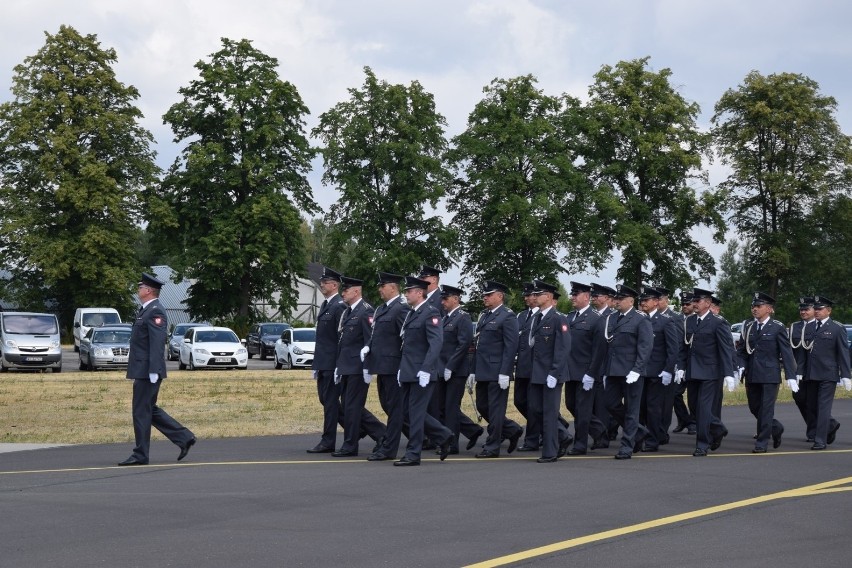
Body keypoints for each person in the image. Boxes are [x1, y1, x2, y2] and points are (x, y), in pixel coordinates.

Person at [119, 273, 195, 466]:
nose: (138, 290)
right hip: (143, 369)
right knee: (148, 410)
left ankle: (140, 454)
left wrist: (153, 370)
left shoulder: (155, 311)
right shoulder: (146, 310)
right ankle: (184, 437)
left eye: (140, 287)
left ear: (148, 291)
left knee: (141, 412)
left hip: (147, 371)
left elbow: (157, 342)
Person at [394, 276, 453, 466]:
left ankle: (413, 454)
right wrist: (402, 369)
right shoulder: (412, 313)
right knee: (406, 412)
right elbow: (408, 345)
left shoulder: (430, 312)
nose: (406, 294)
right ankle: (444, 435)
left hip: (421, 373)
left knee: (416, 414)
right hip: (409, 371)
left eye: (409, 291)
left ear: (419, 293)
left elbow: (436, 343)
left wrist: (426, 369)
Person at [591, 284, 654, 460]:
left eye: (620, 299)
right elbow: (607, 346)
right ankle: (639, 432)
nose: (617, 302)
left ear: (631, 300)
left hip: (631, 372)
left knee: (632, 410)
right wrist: (604, 371)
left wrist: (637, 370)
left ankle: (627, 446)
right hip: (613, 371)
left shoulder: (641, 319)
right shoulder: (612, 318)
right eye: (616, 298)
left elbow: (645, 347)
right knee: (611, 404)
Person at [677, 287, 736, 457]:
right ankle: (718, 428)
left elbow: (725, 349)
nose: (694, 304)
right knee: (695, 408)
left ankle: (702, 444)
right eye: (693, 301)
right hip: (693, 371)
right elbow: (684, 348)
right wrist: (681, 367)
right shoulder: (689, 321)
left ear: (708, 303)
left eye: (698, 301)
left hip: (711, 372)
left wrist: (729, 373)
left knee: (703, 409)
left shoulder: (718, 322)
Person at [467, 280, 523, 458]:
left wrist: (505, 372)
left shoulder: (508, 316)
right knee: (483, 406)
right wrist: (473, 370)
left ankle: (492, 446)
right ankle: (512, 429)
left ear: (500, 296)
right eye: (484, 295)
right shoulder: (484, 315)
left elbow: (511, 346)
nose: (485, 298)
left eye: (489, 295)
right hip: (483, 369)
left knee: (496, 410)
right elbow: (478, 345)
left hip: (498, 371)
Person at [332, 276, 386, 457]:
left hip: (358, 367)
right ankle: (381, 434)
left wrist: (367, 367)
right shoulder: (348, 312)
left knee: (352, 407)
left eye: (346, 290)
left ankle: (350, 445)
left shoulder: (365, 311)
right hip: (347, 366)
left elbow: (370, 341)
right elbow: (344, 343)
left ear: (356, 291)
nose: (343, 293)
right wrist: (339, 366)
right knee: (348, 406)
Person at [735, 292, 796, 453]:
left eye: (758, 306)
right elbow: (742, 351)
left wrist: (791, 376)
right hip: (752, 374)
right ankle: (776, 428)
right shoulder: (748, 326)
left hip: (770, 375)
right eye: (753, 306)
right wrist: (740, 366)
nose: (754, 309)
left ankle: (762, 442)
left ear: (769, 309)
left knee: (766, 409)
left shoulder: (777, 327)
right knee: (755, 407)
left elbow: (786, 352)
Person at [363, 272, 410, 461]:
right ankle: (435, 435)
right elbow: (376, 336)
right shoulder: (381, 309)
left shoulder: (401, 308)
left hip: (394, 367)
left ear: (393, 287)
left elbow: (407, 339)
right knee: (388, 406)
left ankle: (389, 448)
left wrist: (403, 366)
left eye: (383, 286)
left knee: (395, 409)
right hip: (382, 366)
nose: (379, 289)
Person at [796, 295, 851, 450]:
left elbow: (843, 352)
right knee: (811, 406)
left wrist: (846, 375)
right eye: (816, 309)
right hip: (811, 374)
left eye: (820, 309)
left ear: (829, 311)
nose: (817, 312)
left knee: (823, 407)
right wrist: (800, 370)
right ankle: (828, 428)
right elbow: (803, 351)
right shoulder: (809, 327)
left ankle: (820, 440)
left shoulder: (836, 328)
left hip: (828, 374)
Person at [527, 280, 573, 462]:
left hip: (551, 374)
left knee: (549, 412)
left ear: (548, 297)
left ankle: (550, 452)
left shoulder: (558, 318)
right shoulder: (537, 317)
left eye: (539, 294)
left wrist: (554, 373)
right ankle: (562, 436)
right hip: (538, 373)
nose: (535, 297)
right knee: (536, 409)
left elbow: (563, 348)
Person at [435, 284, 482, 454]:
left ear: (456, 299)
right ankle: (472, 430)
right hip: (442, 369)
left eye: (446, 299)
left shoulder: (463, 318)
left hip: (456, 371)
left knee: (450, 407)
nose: (443, 302)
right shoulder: (445, 317)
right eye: (442, 299)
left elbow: (463, 345)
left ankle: (452, 444)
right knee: (441, 407)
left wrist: (450, 366)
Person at [307, 266, 348, 454]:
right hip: (323, 363)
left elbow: (342, 338)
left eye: (325, 282)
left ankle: (328, 440)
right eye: (321, 282)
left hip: (333, 364)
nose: (321, 285)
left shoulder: (339, 306)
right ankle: (367, 428)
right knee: (326, 400)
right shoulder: (326, 305)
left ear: (334, 285)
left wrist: (340, 364)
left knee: (331, 403)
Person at [789, 297, 840, 443]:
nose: (803, 312)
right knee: (800, 399)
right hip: (800, 370)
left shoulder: (825, 327)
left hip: (818, 370)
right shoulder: (796, 327)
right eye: (801, 309)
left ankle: (816, 431)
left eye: (807, 309)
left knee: (815, 403)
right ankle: (827, 424)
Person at [564, 281, 606, 455]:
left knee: (583, 409)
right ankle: (600, 431)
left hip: (586, 372)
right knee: (571, 405)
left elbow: (600, 350)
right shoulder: (570, 316)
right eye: (572, 294)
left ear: (587, 297)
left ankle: (580, 444)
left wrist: (592, 373)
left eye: (576, 294)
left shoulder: (597, 318)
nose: (572, 297)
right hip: (570, 371)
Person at [637, 286, 679, 452]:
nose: (643, 303)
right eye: (641, 301)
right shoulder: (639, 320)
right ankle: (640, 437)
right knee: (639, 407)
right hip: (640, 371)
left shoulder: (665, 321)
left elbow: (673, 348)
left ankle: (653, 440)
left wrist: (668, 370)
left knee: (653, 408)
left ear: (656, 302)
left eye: (646, 300)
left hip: (657, 372)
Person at [513, 282, 540, 452]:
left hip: (536, 367)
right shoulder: (521, 316)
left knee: (533, 405)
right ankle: (555, 426)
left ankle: (532, 439)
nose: (527, 298)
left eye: (530, 295)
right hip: (522, 365)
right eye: (526, 295)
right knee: (519, 401)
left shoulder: (543, 316)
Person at [671, 291, 697, 435]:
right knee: (675, 393)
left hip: (694, 363)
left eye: (688, 304)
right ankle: (684, 420)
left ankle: (693, 421)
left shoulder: (698, 319)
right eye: (683, 304)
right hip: (679, 362)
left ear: (694, 304)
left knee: (694, 397)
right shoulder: (676, 319)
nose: (685, 306)